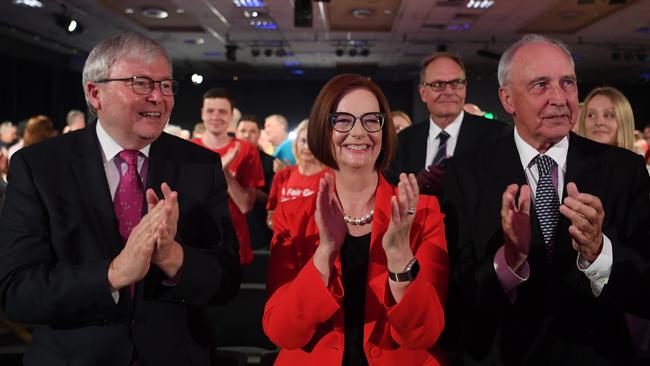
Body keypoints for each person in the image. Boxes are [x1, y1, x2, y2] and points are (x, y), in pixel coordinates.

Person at [0, 33, 241, 366]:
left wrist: (173, 257)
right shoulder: (39, 167)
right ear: (95, 93)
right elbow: (17, 293)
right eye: (140, 83)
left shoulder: (200, 166)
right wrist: (111, 275)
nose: (159, 97)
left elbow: (227, 282)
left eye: (167, 85)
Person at [443, 34, 650, 365]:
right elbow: (455, 295)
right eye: (541, 85)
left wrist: (600, 252)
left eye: (567, 82)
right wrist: (508, 261)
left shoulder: (624, 170)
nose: (559, 98)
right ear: (507, 99)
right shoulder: (465, 174)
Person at [263, 73, 449, 365]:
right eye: (343, 120)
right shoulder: (293, 215)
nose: (359, 132)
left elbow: (424, 334)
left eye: (371, 120)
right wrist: (324, 252)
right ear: (324, 130)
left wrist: (400, 257)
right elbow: (283, 333)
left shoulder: (423, 212)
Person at [387, 52, 511, 197]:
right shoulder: (403, 142)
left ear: (465, 88)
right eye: (438, 84)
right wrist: (416, 191)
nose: (448, 91)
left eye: (456, 83)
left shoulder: (496, 136)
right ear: (423, 93)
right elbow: (391, 196)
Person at [192, 88, 265, 264]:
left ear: (232, 115)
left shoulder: (246, 150)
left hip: (234, 243)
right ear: (202, 113)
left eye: (222, 111)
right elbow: (191, 202)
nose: (216, 116)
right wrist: (220, 167)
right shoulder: (190, 149)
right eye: (210, 111)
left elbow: (245, 205)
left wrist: (223, 172)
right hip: (196, 241)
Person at [265, 119, 329, 229]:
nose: (307, 147)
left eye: (313, 142)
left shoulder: (330, 177)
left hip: (316, 244)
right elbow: (271, 214)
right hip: (284, 243)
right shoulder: (283, 175)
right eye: (303, 141)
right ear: (296, 142)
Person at [236, 114, 275, 249]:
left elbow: (274, 200)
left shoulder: (270, 162)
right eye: (243, 131)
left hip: (259, 232)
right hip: (229, 232)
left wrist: (252, 193)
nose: (247, 135)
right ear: (236, 132)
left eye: (252, 131)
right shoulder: (225, 159)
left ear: (259, 134)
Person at [577, 86, 635, 151]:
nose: (599, 122)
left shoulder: (636, 160)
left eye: (608, 115)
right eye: (591, 115)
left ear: (624, 121)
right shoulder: (569, 160)